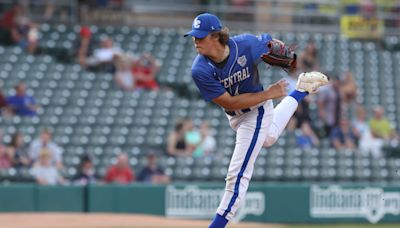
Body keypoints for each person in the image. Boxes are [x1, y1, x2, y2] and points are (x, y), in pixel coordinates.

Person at [184, 13, 328, 227]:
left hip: (257, 112)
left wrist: (285, 54)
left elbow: (272, 46)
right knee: (268, 137)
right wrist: (269, 94)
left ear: (216, 36)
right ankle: (300, 90)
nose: (196, 41)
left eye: (201, 36)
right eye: (194, 37)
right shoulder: (200, 69)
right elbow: (229, 103)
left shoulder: (245, 44)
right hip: (238, 112)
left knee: (237, 174)